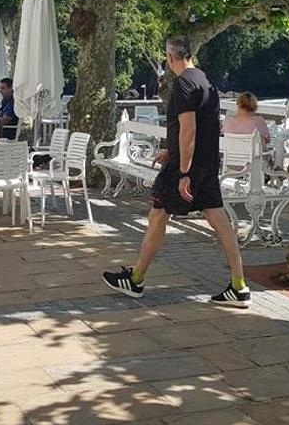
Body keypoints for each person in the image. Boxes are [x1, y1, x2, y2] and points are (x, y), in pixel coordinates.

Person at [103, 37, 251, 309]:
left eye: (166, 58)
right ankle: (239, 285)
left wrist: (183, 170)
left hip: (185, 168)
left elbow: (189, 129)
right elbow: (204, 128)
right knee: (219, 220)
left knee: (158, 215)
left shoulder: (183, 83)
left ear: (171, 57)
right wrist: (172, 151)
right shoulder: (206, 81)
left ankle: (135, 279)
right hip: (206, 164)